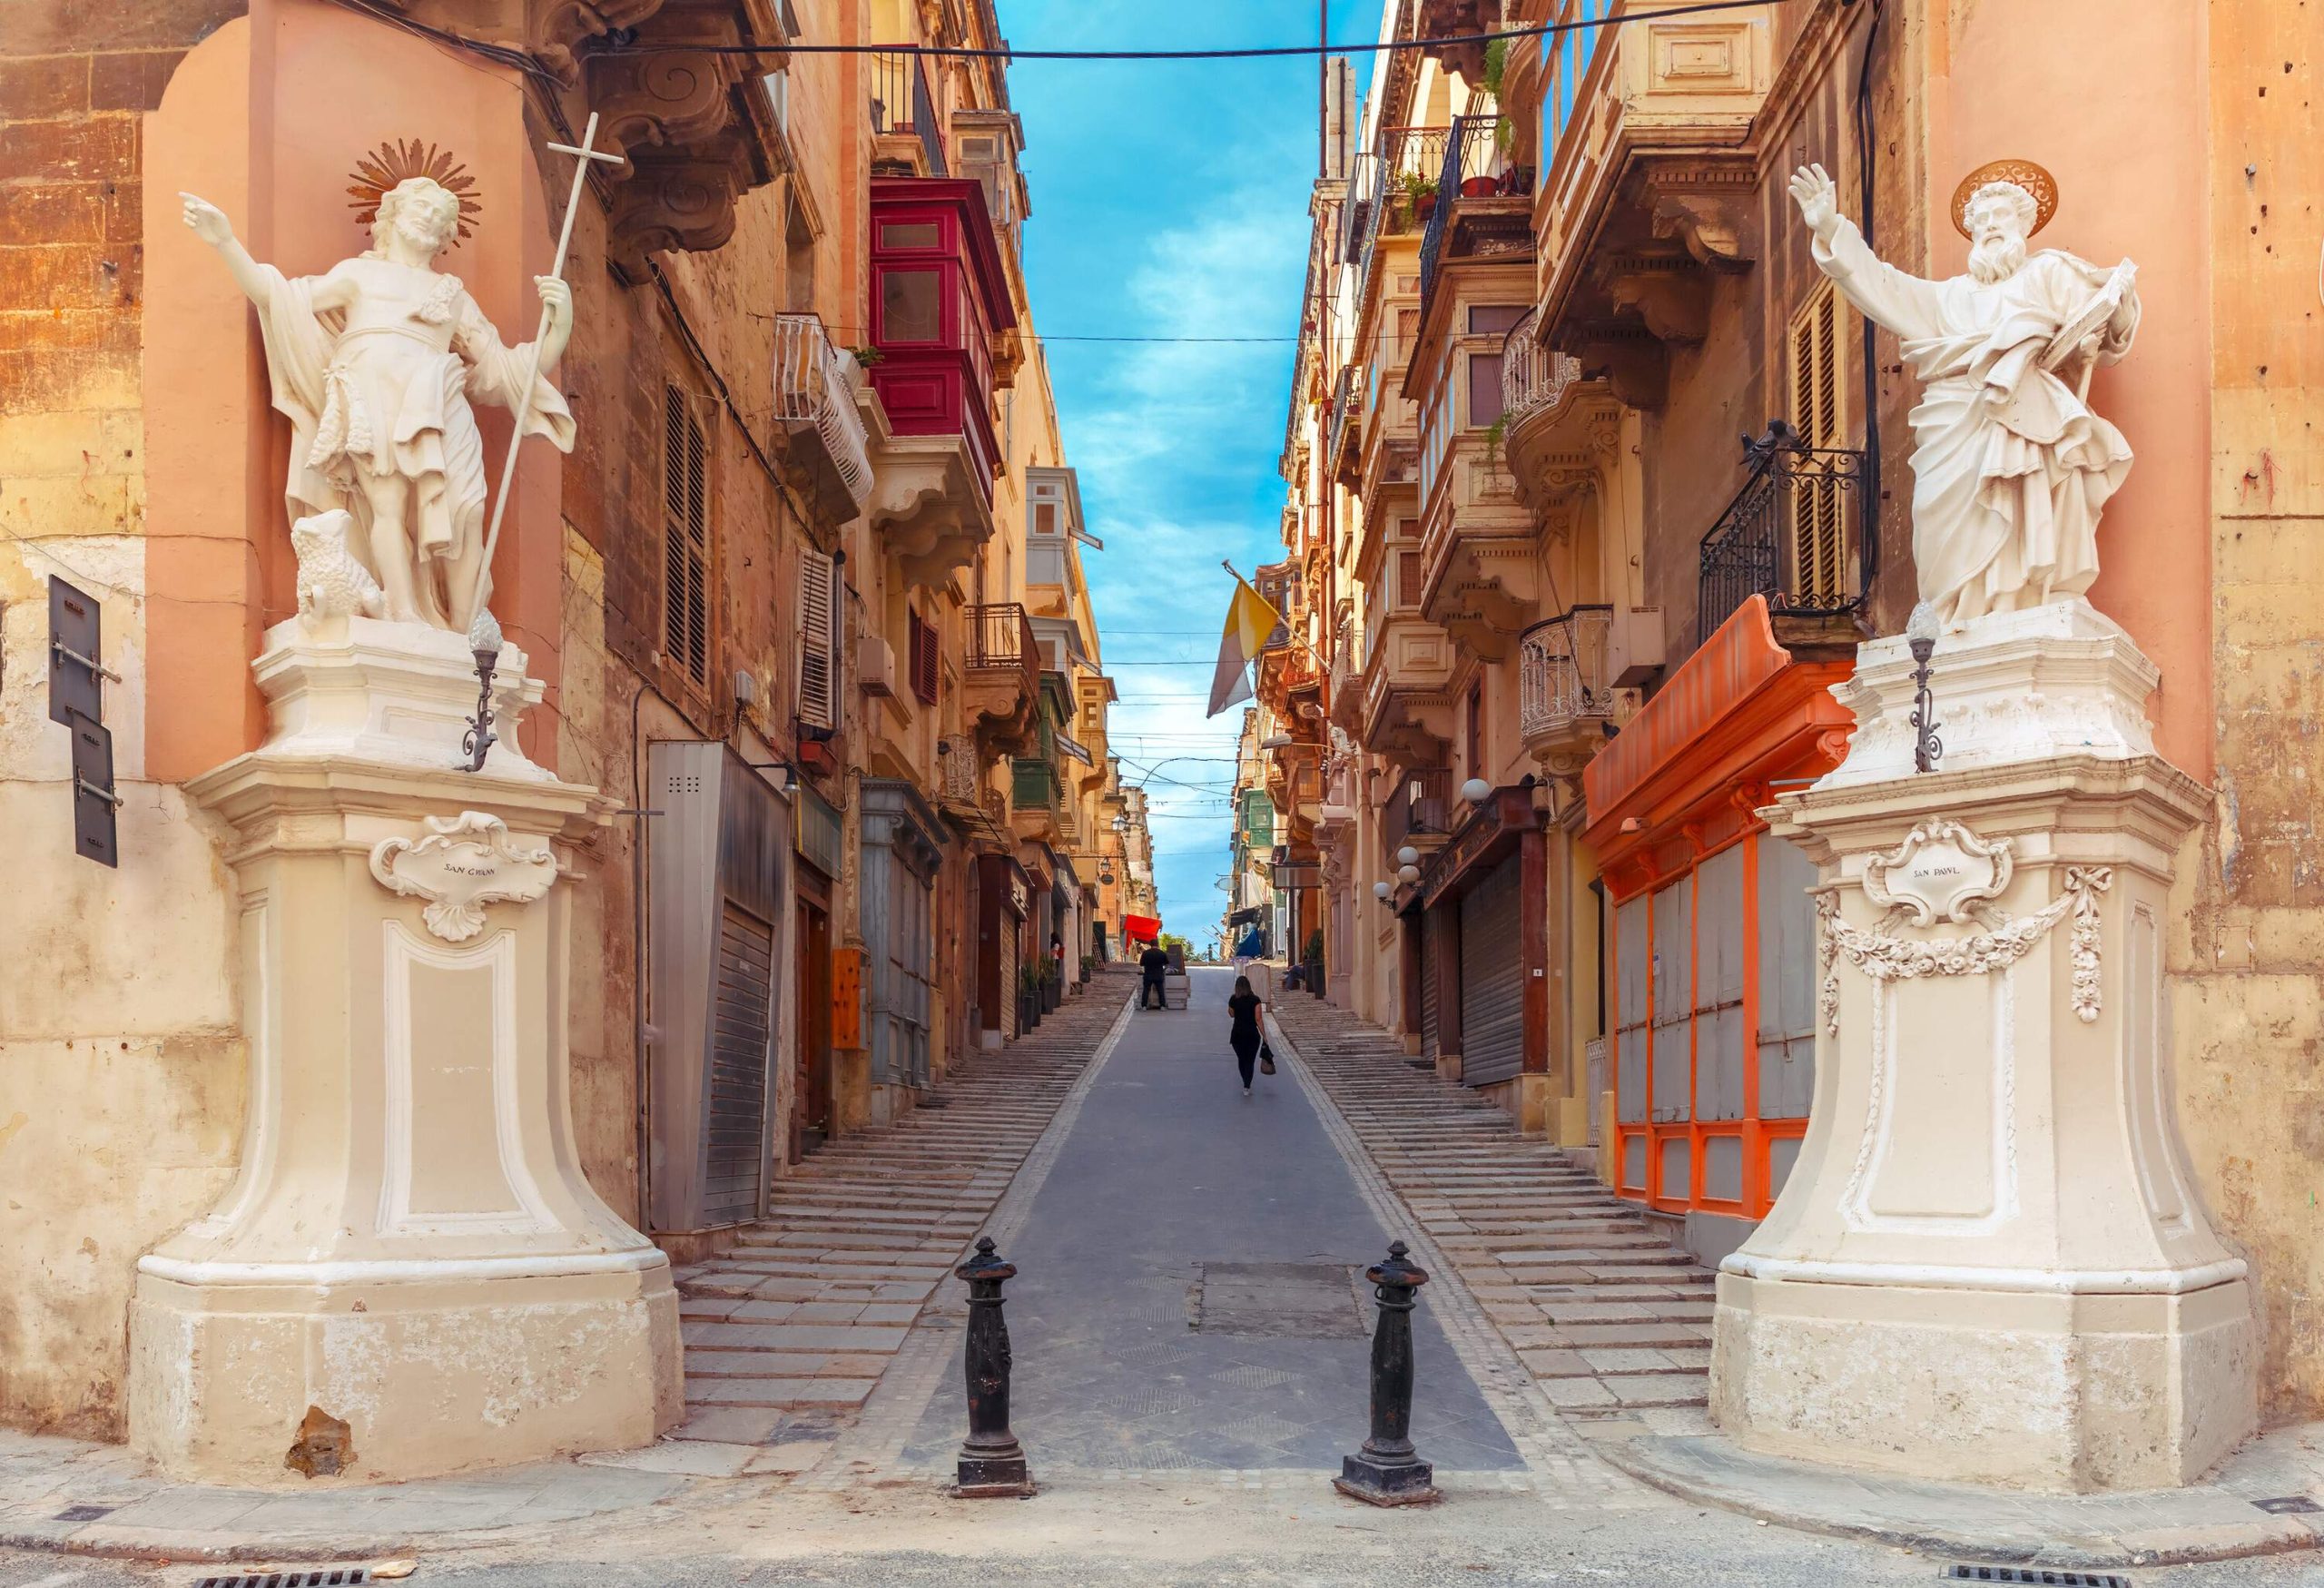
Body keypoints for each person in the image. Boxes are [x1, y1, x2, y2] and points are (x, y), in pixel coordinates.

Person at [1226, 975, 1265, 1095]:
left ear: (1236, 987)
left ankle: (1245, 1081)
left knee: (1241, 1059)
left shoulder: (1233, 999)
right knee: (1250, 1061)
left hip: (1237, 1034)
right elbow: (1258, 1019)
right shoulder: (1255, 1000)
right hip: (1252, 1035)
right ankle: (1247, 1086)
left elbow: (1231, 1014)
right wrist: (1265, 1035)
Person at [1138, 942, 1170, 1010]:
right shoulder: (1162, 953)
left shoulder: (1145, 953)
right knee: (1160, 990)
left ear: (1150, 945)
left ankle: (1144, 1006)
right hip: (1159, 974)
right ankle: (1162, 1006)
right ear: (1157, 945)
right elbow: (1167, 964)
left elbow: (1141, 964)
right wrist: (1163, 970)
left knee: (1146, 990)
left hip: (1148, 974)